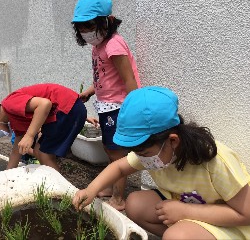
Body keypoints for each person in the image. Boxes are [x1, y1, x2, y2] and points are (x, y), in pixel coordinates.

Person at [73, 86, 250, 239]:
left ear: (173, 141)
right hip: (189, 209)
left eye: (143, 153)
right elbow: (119, 167)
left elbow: (246, 213)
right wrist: (90, 190)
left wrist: (185, 212)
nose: (140, 159)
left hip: (230, 226)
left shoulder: (214, 161)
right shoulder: (157, 151)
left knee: (176, 236)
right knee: (135, 204)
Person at [71, 0, 141, 210]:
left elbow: (128, 78)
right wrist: (91, 92)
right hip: (106, 105)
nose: (86, 31)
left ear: (107, 21)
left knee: (116, 152)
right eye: (81, 27)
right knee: (109, 148)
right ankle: (111, 188)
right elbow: (105, 76)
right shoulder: (99, 45)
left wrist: (133, 108)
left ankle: (118, 198)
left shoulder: (114, 45)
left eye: (90, 25)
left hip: (118, 106)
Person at [0, 83, 87, 171]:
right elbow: (16, 149)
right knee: (40, 152)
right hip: (67, 110)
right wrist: (8, 175)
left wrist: (29, 135)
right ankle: (56, 184)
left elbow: (44, 104)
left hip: (67, 110)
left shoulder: (9, 104)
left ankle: (61, 192)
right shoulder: (14, 118)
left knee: (44, 154)